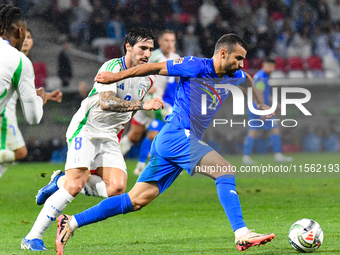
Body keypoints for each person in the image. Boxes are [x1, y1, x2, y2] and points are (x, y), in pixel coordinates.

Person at [55, 34, 276, 254]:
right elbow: (153, 68)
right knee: (224, 170)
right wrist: (116, 77)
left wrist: (259, 102)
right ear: (223, 53)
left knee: (135, 200)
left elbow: (247, 78)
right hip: (176, 135)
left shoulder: (234, 75)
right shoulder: (194, 65)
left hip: (170, 142)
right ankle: (242, 234)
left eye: (243, 59)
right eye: (238, 58)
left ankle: (71, 222)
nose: (241, 64)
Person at [21, 28, 164, 251]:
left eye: (150, 49)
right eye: (142, 48)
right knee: (75, 185)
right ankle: (32, 237)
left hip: (108, 136)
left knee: (116, 188)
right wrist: (143, 105)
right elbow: (107, 102)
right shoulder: (112, 67)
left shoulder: (147, 79)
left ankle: (59, 180)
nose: (147, 54)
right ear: (128, 47)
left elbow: (129, 112)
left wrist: (120, 130)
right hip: (86, 129)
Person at [0, 5, 62, 174]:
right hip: (5, 114)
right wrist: (40, 100)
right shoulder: (19, 61)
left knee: (19, 152)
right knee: (18, 152)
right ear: (20, 32)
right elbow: (33, 117)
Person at [119, 30, 180, 175]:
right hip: (146, 101)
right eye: (166, 40)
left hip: (157, 103)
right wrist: (145, 84)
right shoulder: (153, 55)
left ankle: (137, 165)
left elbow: (178, 78)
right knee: (173, 126)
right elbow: (137, 68)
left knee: (139, 135)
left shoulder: (176, 58)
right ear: (160, 42)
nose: (170, 43)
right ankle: (167, 162)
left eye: (172, 40)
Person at [242, 57, 292, 165]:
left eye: (273, 67)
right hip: (259, 109)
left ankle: (247, 157)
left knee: (260, 131)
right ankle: (277, 156)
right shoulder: (261, 77)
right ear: (264, 65)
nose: (271, 69)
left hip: (256, 107)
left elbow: (265, 94)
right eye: (270, 66)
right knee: (265, 131)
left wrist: (277, 104)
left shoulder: (262, 76)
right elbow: (259, 92)